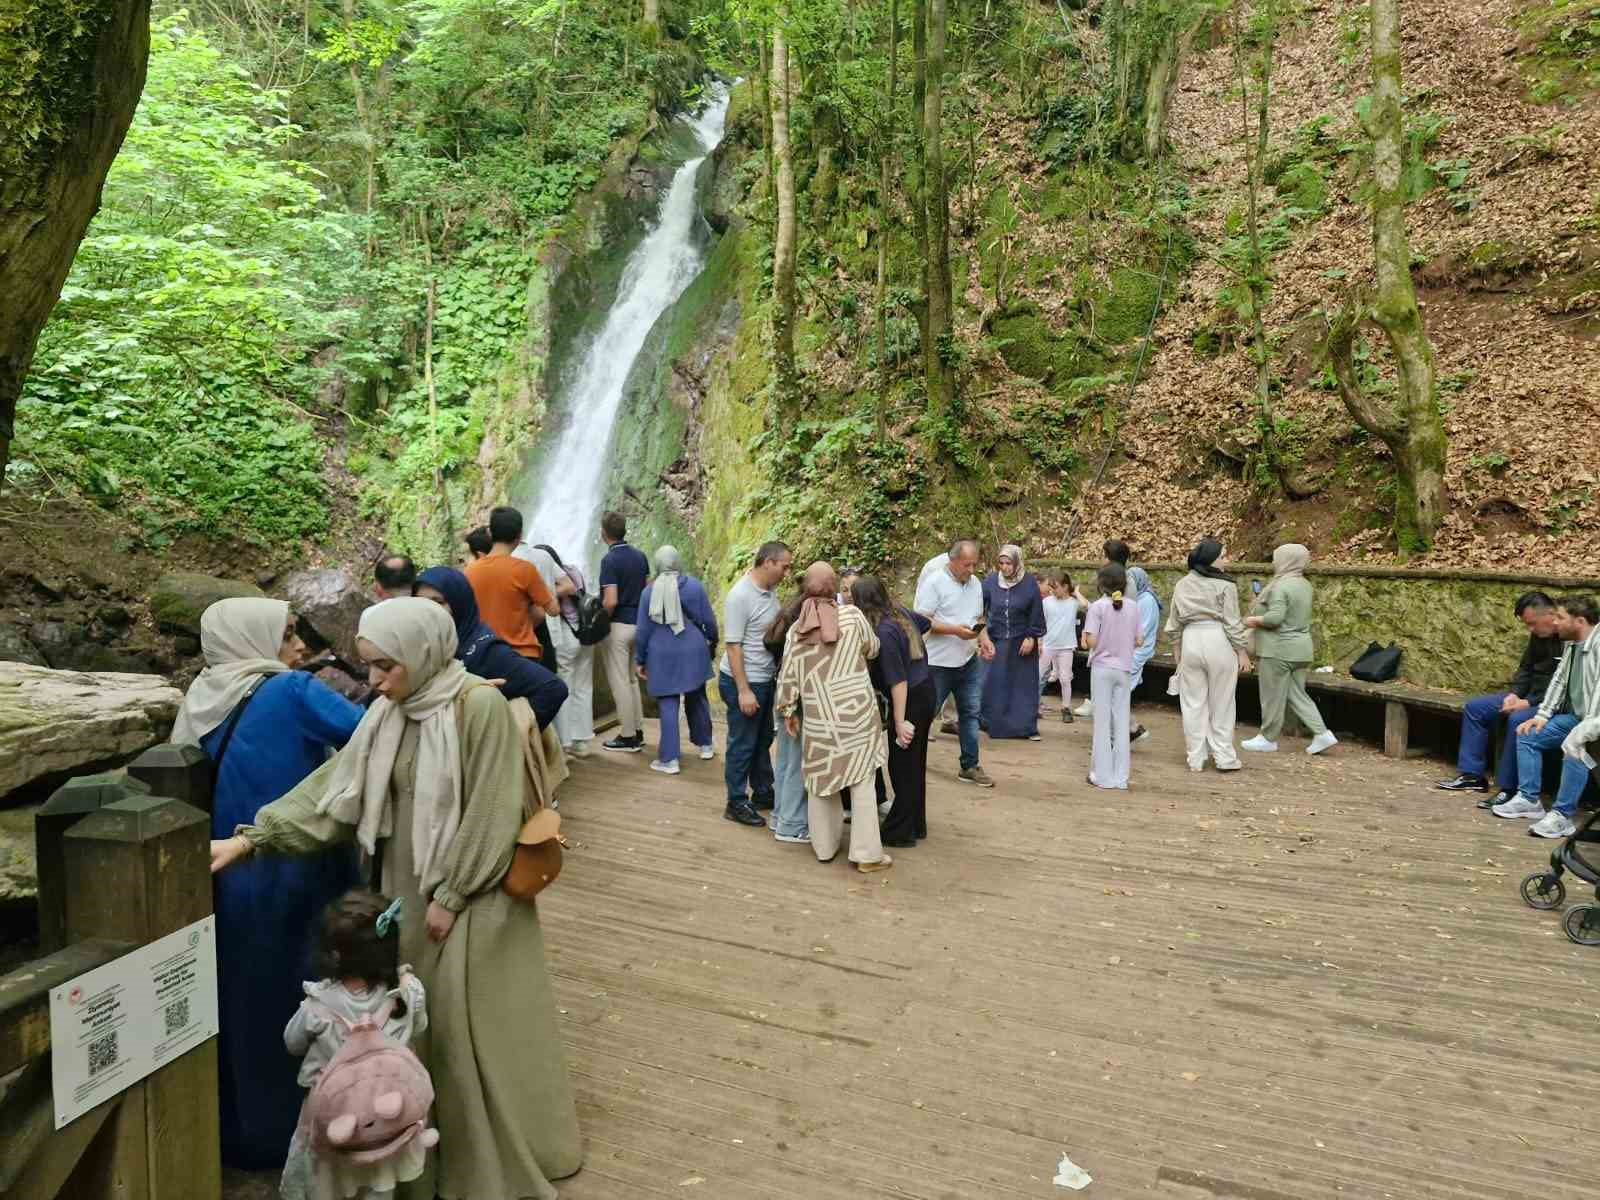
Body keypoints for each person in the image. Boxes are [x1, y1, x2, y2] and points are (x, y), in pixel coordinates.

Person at [210, 599, 584, 1200]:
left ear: (423, 653)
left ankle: (473, 1164)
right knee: (411, 1026)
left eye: (387, 666)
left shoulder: (476, 705)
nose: (376, 681)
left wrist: (453, 895)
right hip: (403, 889)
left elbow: (491, 809)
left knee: (463, 1032)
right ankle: (414, 1158)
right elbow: (333, 790)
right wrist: (253, 839)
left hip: (468, 896)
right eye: (370, 667)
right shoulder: (392, 711)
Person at [170, 598, 364, 1169]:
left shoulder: (205, 697)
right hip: (297, 867)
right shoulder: (290, 691)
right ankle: (304, 1130)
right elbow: (370, 735)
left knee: (244, 999)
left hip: (229, 873)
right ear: (252, 639)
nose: (300, 646)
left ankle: (242, 1130)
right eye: (286, 635)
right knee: (308, 1002)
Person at [280, 890, 431, 1200]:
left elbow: (292, 1043)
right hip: (387, 1115)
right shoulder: (409, 992)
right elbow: (421, 1026)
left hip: (333, 1116)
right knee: (378, 1176)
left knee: (326, 1181)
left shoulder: (318, 1007)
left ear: (334, 955)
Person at [776, 563, 893, 873]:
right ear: (834, 587)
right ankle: (867, 854)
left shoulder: (795, 632)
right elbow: (873, 648)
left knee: (820, 779)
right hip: (856, 713)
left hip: (818, 717)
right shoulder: (853, 617)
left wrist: (787, 709)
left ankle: (825, 847)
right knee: (862, 779)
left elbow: (788, 676)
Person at [1436, 591, 1562, 807]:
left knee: (1517, 721)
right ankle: (1471, 775)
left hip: (1550, 704)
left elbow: (1562, 684)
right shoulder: (1538, 636)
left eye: (1533, 624)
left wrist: (1528, 703)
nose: (1530, 629)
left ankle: (1509, 789)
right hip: (1527, 696)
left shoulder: (1568, 637)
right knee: (1476, 708)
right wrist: (1514, 694)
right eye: (1527, 625)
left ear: (1550, 613)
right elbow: (1526, 669)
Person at [1492, 596, 1600, 839]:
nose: (1555, 622)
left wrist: (1582, 731)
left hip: (1595, 722)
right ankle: (1529, 800)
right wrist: (1541, 716)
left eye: (1560, 617)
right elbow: (1559, 681)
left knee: (1576, 743)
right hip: (1580, 718)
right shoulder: (1572, 643)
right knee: (1528, 732)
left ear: (1580, 621)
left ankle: (1562, 815)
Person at [413, 566, 569, 730]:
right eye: (420, 603)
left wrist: (500, 737)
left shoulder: (485, 652)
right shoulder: (425, 649)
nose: (428, 610)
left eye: (438, 602)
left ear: (459, 603)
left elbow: (552, 689)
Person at [854, 575, 935, 847]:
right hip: (925, 689)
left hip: (910, 697)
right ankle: (915, 824)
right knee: (914, 763)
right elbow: (926, 623)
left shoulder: (885, 632)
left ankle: (900, 831)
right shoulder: (899, 612)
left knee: (902, 766)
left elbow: (898, 682)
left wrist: (899, 722)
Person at [718, 541, 794, 825]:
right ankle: (735, 802)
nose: (787, 572)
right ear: (768, 562)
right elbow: (733, 646)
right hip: (745, 681)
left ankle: (763, 791)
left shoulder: (769, 591)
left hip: (764, 679)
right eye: (784, 566)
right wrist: (744, 691)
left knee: (763, 739)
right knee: (743, 743)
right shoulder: (740, 596)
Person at [1240, 544, 1339, 756]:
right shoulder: (1305, 585)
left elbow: (1275, 618)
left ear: (1286, 560)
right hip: (1301, 649)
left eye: (1277, 558)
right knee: (1296, 694)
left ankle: (1267, 738)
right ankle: (1322, 734)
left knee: (1271, 696)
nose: (1274, 562)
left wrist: (1252, 620)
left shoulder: (1280, 587)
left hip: (1278, 649)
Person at [915, 539, 995, 786]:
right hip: (938, 662)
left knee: (970, 713)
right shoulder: (934, 582)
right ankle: (913, 761)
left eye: (974, 565)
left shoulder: (976, 584)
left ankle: (970, 765)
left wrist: (984, 638)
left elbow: (977, 617)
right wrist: (953, 630)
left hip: (968, 659)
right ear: (953, 561)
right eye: (966, 565)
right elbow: (921, 620)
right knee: (927, 714)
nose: (971, 570)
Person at [1167, 539, 1252, 772]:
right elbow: (1232, 622)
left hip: (1191, 642)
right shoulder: (1226, 585)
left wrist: (1178, 654)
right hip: (1218, 640)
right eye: (1223, 555)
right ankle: (1224, 756)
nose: (1226, 559)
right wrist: (1242, 652)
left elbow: (1174, 623)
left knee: (1193, 703)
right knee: (1222, 702)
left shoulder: (1182, 584)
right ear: (1212, 559)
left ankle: (1195, 757)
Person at [635, 546, 719, 776]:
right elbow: (708, 621)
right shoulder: (693, 586)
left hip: (661, 653)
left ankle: (670, 759)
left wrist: (640, 659)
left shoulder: (648, 593)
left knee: (668, 703)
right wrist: (713, 641)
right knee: (697, 696)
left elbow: (642, 631)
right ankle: (706, 746)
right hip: (693, 648)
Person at [526, 543, 596, 758]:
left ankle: (565, 742)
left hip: (566, 635)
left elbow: (566, 591)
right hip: (586, 633)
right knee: (584, 687)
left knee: (564, 687)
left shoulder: (554, 576)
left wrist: (544, 593)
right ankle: (582, 741)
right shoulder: (574, 569)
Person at [463, 507, 558, 662]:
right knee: (555, 687)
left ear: (491, 534)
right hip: (521, 655)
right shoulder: (525, 569)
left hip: (485, 654)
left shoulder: (470, 571)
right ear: (520, 535)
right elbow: (553, 610)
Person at [1084, 564, 1143, 790]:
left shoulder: (1098, 607)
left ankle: (1101, 775)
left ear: (1101, 584)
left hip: (1101, 668)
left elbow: (1091, 641)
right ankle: (1121, 778)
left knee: (1102, 722)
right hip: (1123, 668)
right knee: (1121, 722)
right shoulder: (1133, 607)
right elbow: (1139, 640)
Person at [980, 544, 1047, 741]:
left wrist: (1031, 637)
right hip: (998, 640)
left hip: (1022, 642)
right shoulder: (992, 582)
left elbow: (1036, 612)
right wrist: (983, 635)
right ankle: (996, 725)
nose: (1005, 567)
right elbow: (979, 607)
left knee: (1022, 686)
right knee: (997, 683)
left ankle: (1025, 727)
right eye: (1001, 563)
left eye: (1009, 563)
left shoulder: (1028, 583)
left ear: (1016, 563)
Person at [597, 511, 650, 753]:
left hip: (618, 626)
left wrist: (600, 621)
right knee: (631, 680)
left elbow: (610, 601)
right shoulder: (640, 556)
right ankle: (637, 729)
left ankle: (627, 736)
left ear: (604, 533)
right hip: (639, 624)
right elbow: (647, 589)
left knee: (619, 682)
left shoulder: (609, 561)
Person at [763, 595, 810, 844]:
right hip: (793, 697)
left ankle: (779, 815)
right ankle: (791, 825)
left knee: (783, 759)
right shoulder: (806, 622)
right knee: (795, 761)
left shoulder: (790, 610)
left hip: (780, 690)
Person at [1039, 573, 1086, 723]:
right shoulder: (1046, 602)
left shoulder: (1073, 603)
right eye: (1051, 587)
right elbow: (1041, 622)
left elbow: (1086, 606)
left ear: (1065, 587)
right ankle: (1033, 706)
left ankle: (1066, 707)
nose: (1053, 590)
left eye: (1056, 587)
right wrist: (1039, 641)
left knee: (1065, 678)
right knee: (1038, 675)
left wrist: (1076, 592)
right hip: (1048, 644)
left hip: (1066, 646)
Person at [1127, 567, 1161, 743]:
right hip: (1130, 646)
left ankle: (1133, 729)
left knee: (1121, 692)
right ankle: (1133, 729)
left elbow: (1143, 630)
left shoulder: (1147, 600)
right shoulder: (1135, 598)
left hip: (1140, 648)